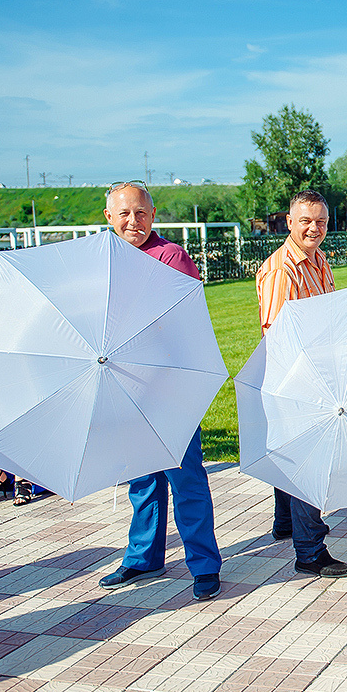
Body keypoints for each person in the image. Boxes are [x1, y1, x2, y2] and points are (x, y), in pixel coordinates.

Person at [98, 181, 223, 602]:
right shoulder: (104, 260)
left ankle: (204, 566)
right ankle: (143, 556)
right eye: (125, 214)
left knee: (185, 478)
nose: (134, 221)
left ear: (153, 215)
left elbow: (180, 320)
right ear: (109, 217)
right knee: (141, 476)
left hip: (171, 387)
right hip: (126, 386)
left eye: (142, 213)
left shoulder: (170, 256)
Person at [255, 190, 347, 579]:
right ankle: (310, 552)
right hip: (296, 377)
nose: (315, 228)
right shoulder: (283, 270)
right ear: (290, 223)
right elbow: (278, 335)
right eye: (306, 221)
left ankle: (286, 522)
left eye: (321, 222)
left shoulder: (320, 261)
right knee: (307, 463)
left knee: (294, 455)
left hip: (320, 370)